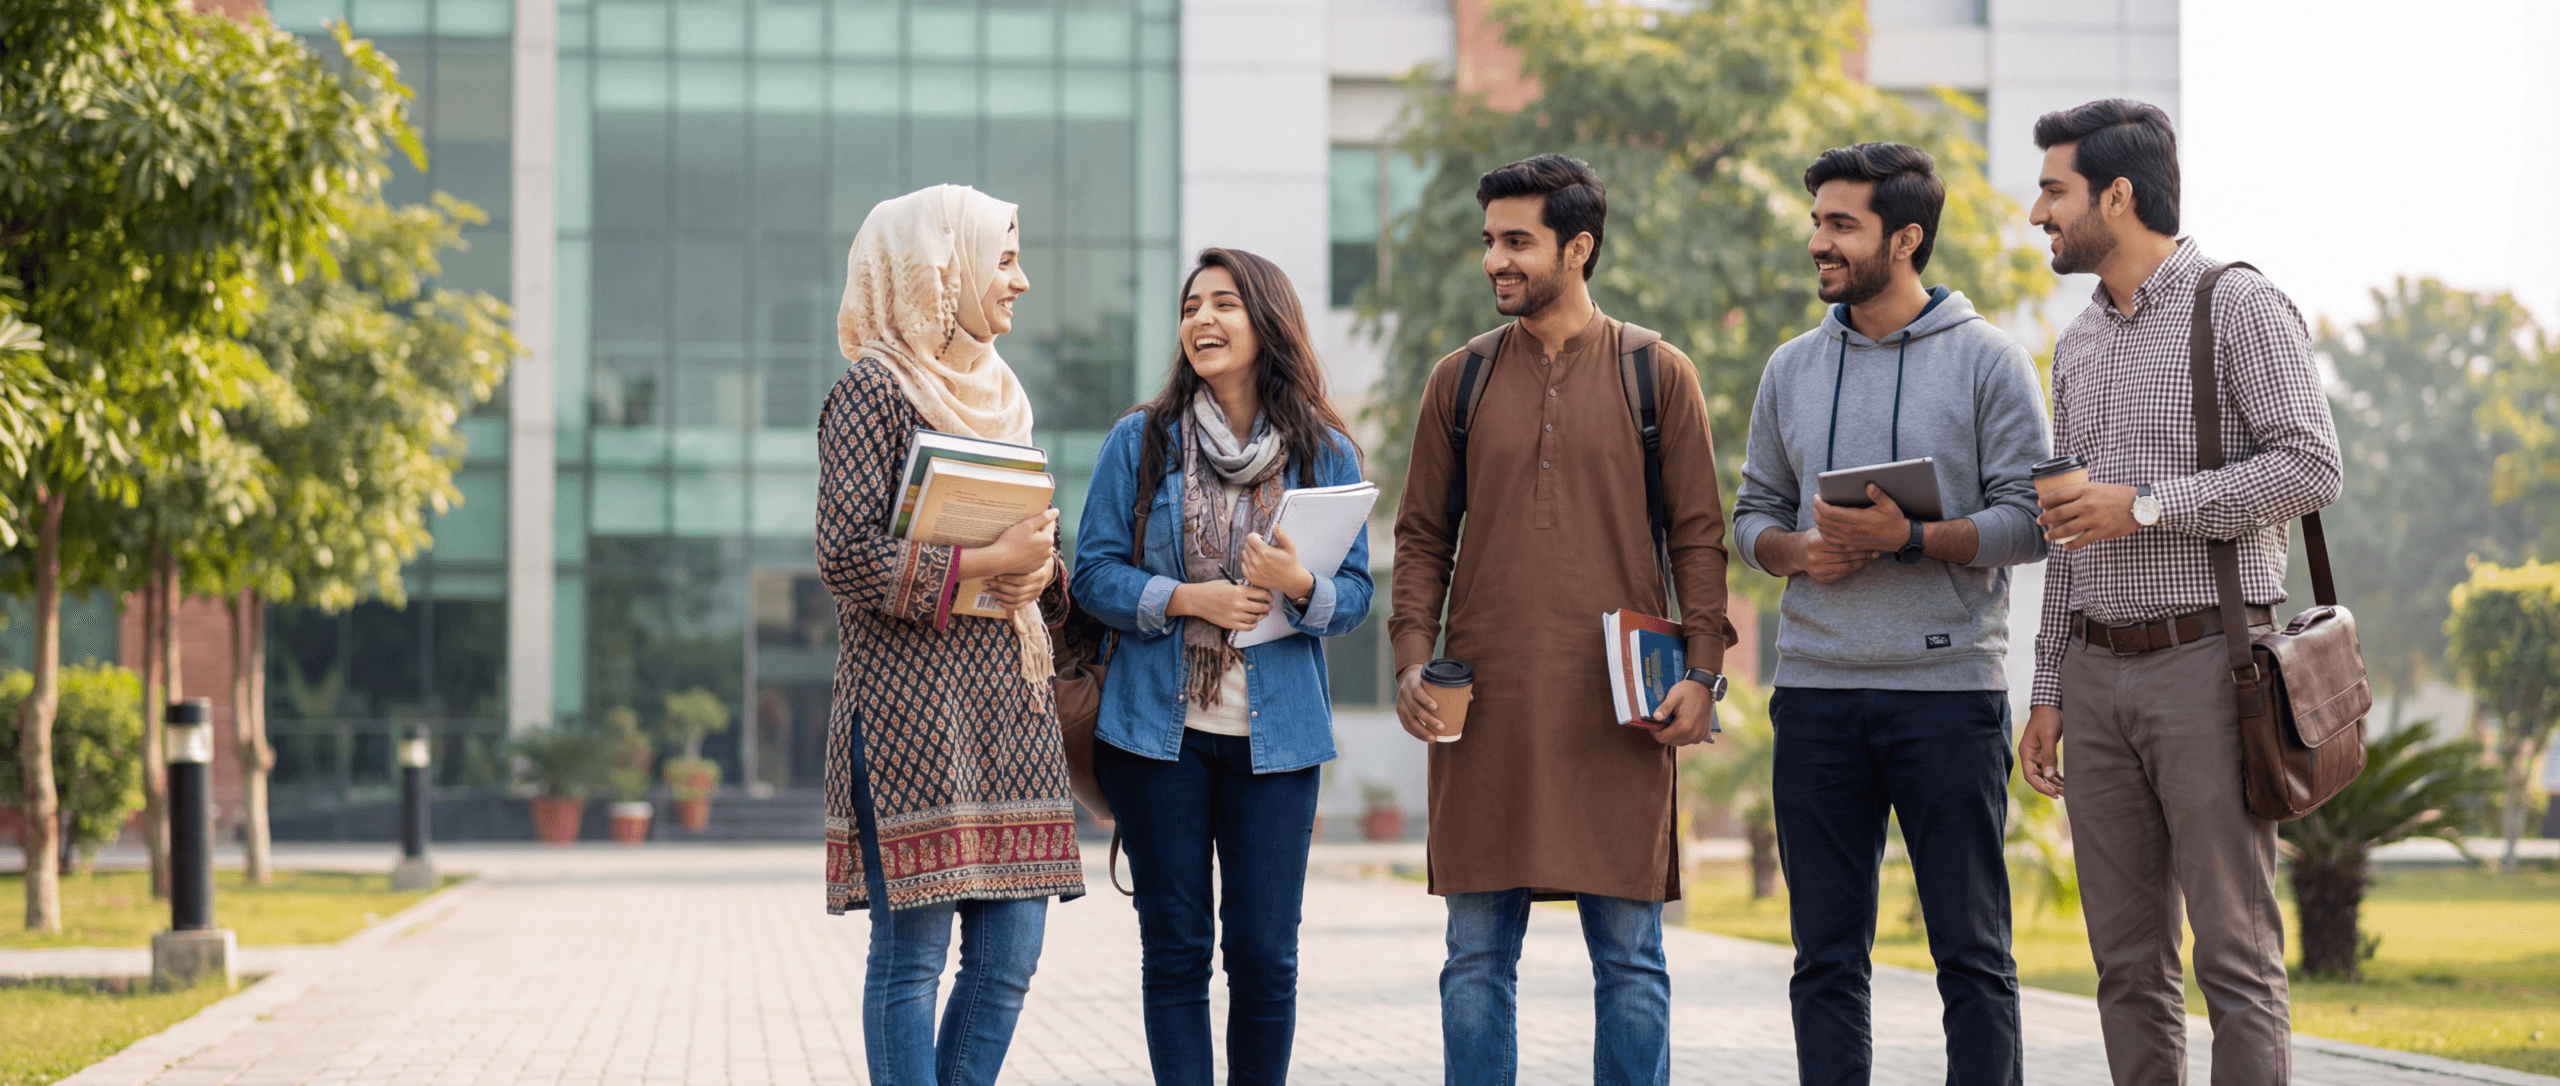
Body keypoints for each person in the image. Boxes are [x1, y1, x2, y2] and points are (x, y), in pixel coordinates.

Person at [1389, 154, 1735, 1086]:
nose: (1495, 261)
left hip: (1619, 706)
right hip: (1483, 707)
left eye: (1517, 242)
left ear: (1577, 248)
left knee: (1630, 960)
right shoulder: (1457, 381)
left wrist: (1703, 675)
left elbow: (1701, 539)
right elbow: (1421, 536)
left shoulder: (1656, 374)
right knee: (1473, 960)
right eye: (1490, 242)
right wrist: (1413, 660)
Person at [2016, 100, 2342, 1086]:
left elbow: (2310, 467)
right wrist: (2046, 688)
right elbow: (2071, 530)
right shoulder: (2075, 343)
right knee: (2124, 966)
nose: (2037, 213)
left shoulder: (2235, 304)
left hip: (2211, 665)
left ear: (2115, 195)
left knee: (2234, 956)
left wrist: (2148, 506)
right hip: (2094, 674)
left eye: (2052, 189)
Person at [1730, 141, 2049, 1086]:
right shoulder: (1790, 368)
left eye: (1842, 224)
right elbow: (1751, 516)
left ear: (1905, 238)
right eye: (1818, 220)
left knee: (1973, 957)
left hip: (1948, 694)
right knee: (1824, 961)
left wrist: (1907, 538)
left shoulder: (1991, 361)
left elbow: (2030, 524)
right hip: (1818, 694)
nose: (1818, 240)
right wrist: (1800, 552)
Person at [1070, 247, 1374, 1086]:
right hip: (1154, 735)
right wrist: (1186, 599)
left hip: (1276, 742)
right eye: (1190, 306)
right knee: (1175, 951)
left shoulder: (1325, 453)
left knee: (1266, 956)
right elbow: (1090, 572)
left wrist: (1298, 584)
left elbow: (1355, 598)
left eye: (1224, 304)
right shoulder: (1141, 442)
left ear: (1266, 320)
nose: (1201, 320)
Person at [817, 183, 1084, 1086]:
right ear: (942, 270)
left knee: (1011, 956)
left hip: (1009, 707)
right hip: (908, 715)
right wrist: (980, 560)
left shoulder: (1002, 397)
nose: (1021, 283)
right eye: (1003, 261)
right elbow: (843, 554)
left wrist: (1039, 567)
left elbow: (1031, 564)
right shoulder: (870, 391)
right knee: (913, 961)